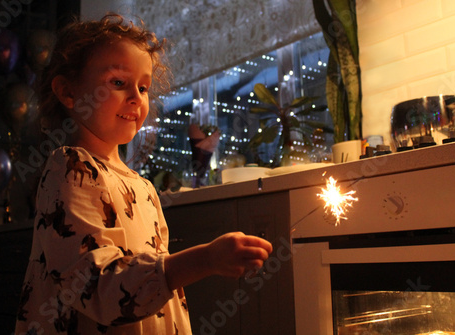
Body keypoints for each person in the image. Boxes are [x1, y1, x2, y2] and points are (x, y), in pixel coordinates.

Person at [15, 13, 272, 335]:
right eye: (118, 83)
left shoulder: (144, 187)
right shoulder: (71, 168)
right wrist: (203, 260)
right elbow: (95, 286)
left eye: (144, 86)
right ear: (68, 92)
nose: (137, 98)